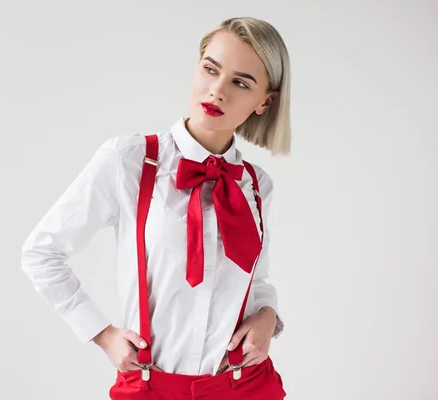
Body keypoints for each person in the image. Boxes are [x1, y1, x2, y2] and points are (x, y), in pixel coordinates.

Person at [21, 16, 291, 399]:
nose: (216, 91)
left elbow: (255, 281)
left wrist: (268, 316)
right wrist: (102, 334)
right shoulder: (129, 160)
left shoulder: (257, 184)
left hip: (245, 386)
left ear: (265, 101)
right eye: (210, 69)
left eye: (240, 82)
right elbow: (41, 252)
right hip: (152, 388)